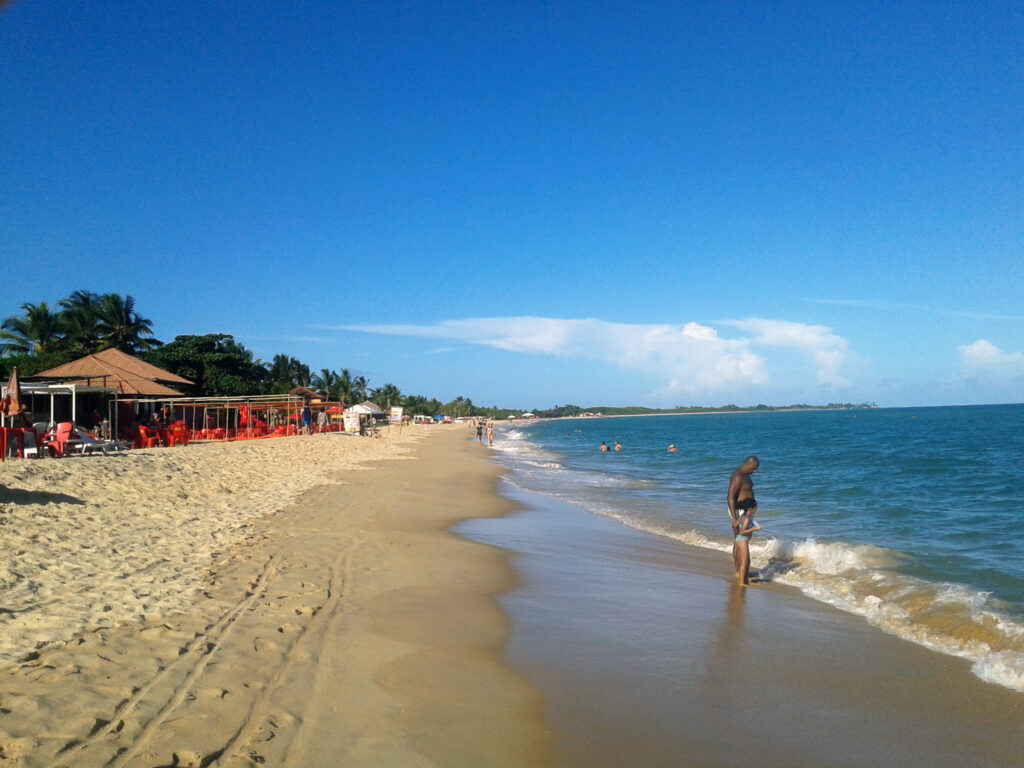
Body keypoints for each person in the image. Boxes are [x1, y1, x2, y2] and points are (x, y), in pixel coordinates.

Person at [727, 455, 759, 536]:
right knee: (741, 536)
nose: (754, 471)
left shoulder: (747, 475)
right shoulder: (737, 476)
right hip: (739, 510)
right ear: (747, 465)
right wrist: (734, 518)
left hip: (747, 510)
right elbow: (730, 497)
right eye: (753, 469)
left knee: (746, 536)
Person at [732, 505, 761, 585]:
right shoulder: (747, 519)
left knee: (747, 562)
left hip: (738, 539)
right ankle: (742, 583)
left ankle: (744, 579)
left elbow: (734, 525)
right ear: (751, 509)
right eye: (755, 508)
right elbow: (742, 532)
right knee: (744, 563)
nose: (756, 510)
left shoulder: (742, 517)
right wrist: (754, 529)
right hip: (743, 540)